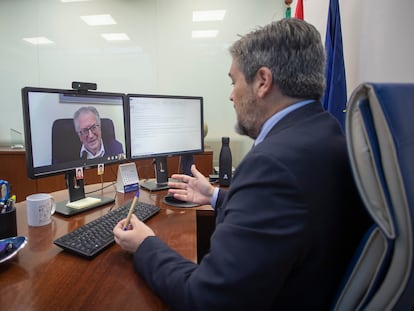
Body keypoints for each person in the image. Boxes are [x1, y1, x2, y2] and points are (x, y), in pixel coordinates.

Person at [113, 18, 370, 310]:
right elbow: (288, 212)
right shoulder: (327, 131)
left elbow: (206, 299)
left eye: (233, 81)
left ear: (263, 81)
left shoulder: (273, 165)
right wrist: (213, 195)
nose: (231, 95)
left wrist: (145, 244)